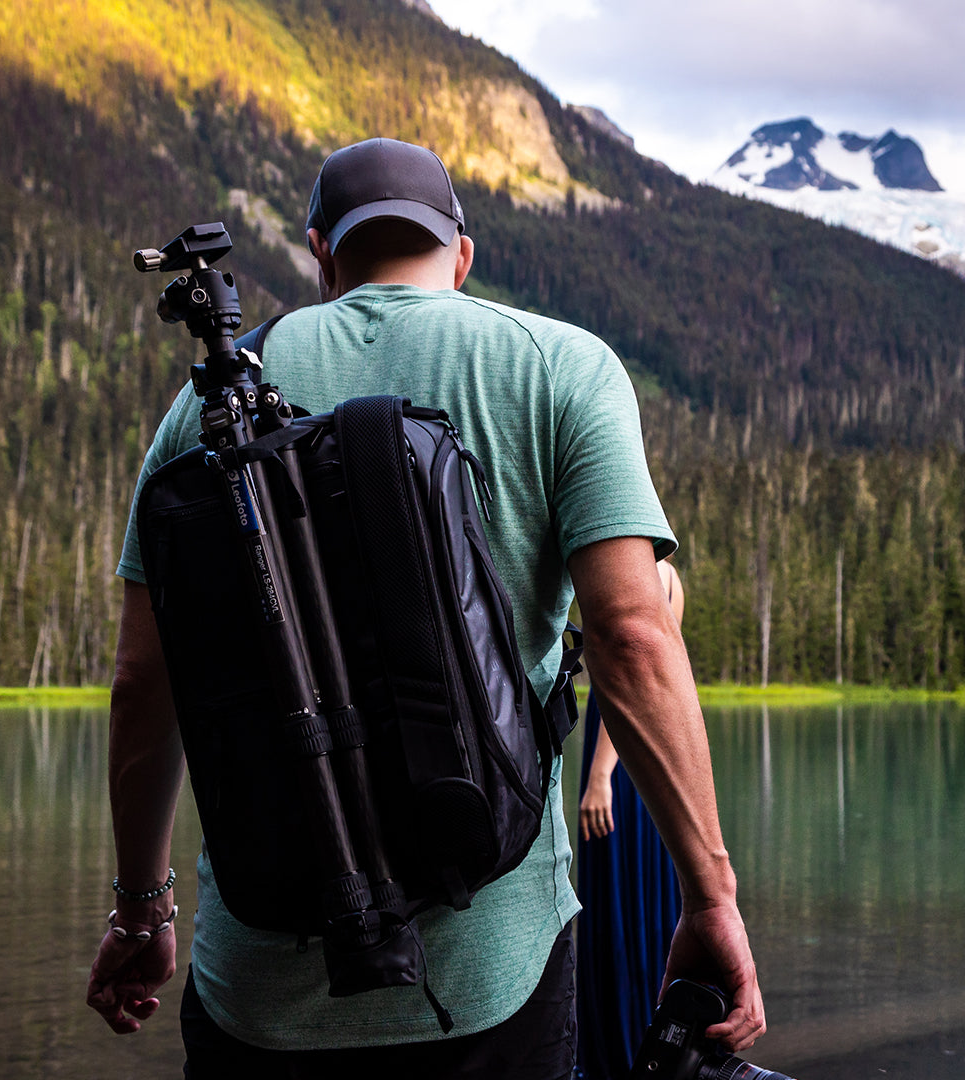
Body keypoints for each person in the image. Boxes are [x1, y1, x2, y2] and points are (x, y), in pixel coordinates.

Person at [86, 137, 765, 1079]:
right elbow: (632, 636)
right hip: (495, 979)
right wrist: (711, 898)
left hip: (257, 989)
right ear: (464, 252)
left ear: (321, 252)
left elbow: (144, 684)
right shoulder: (561, 367)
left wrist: (140, 910)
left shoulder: (205, 406)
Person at [576, 559, 686, 1078]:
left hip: (619, 766)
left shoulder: (637, 569)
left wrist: (600, 775)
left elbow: (629, 678)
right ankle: (656, 1048)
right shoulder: (669, 576)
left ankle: (617, 1053)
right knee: (646, 908)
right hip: (650, 764)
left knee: (619, 905)